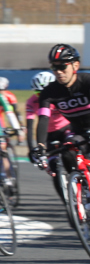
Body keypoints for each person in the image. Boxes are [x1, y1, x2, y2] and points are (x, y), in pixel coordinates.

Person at [33, 44, 90, 174]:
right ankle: (77, 189)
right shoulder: (49, 92)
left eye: (62, 66)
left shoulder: (87, 82)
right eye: (54, 67)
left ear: (75, 65)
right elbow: (43, 119)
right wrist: (41, 146)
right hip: (79, 132)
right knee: (67, 152)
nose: (58, 71)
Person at [26, 70, 71, 199]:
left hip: (67, 127)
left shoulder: (61, 94)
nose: (41, 95)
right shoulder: (31, 102)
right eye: (38, 92)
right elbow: (30, 127)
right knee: (53, 167)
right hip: (50, 134)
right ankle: (69, 204)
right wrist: (31, 149)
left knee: (73, 153)